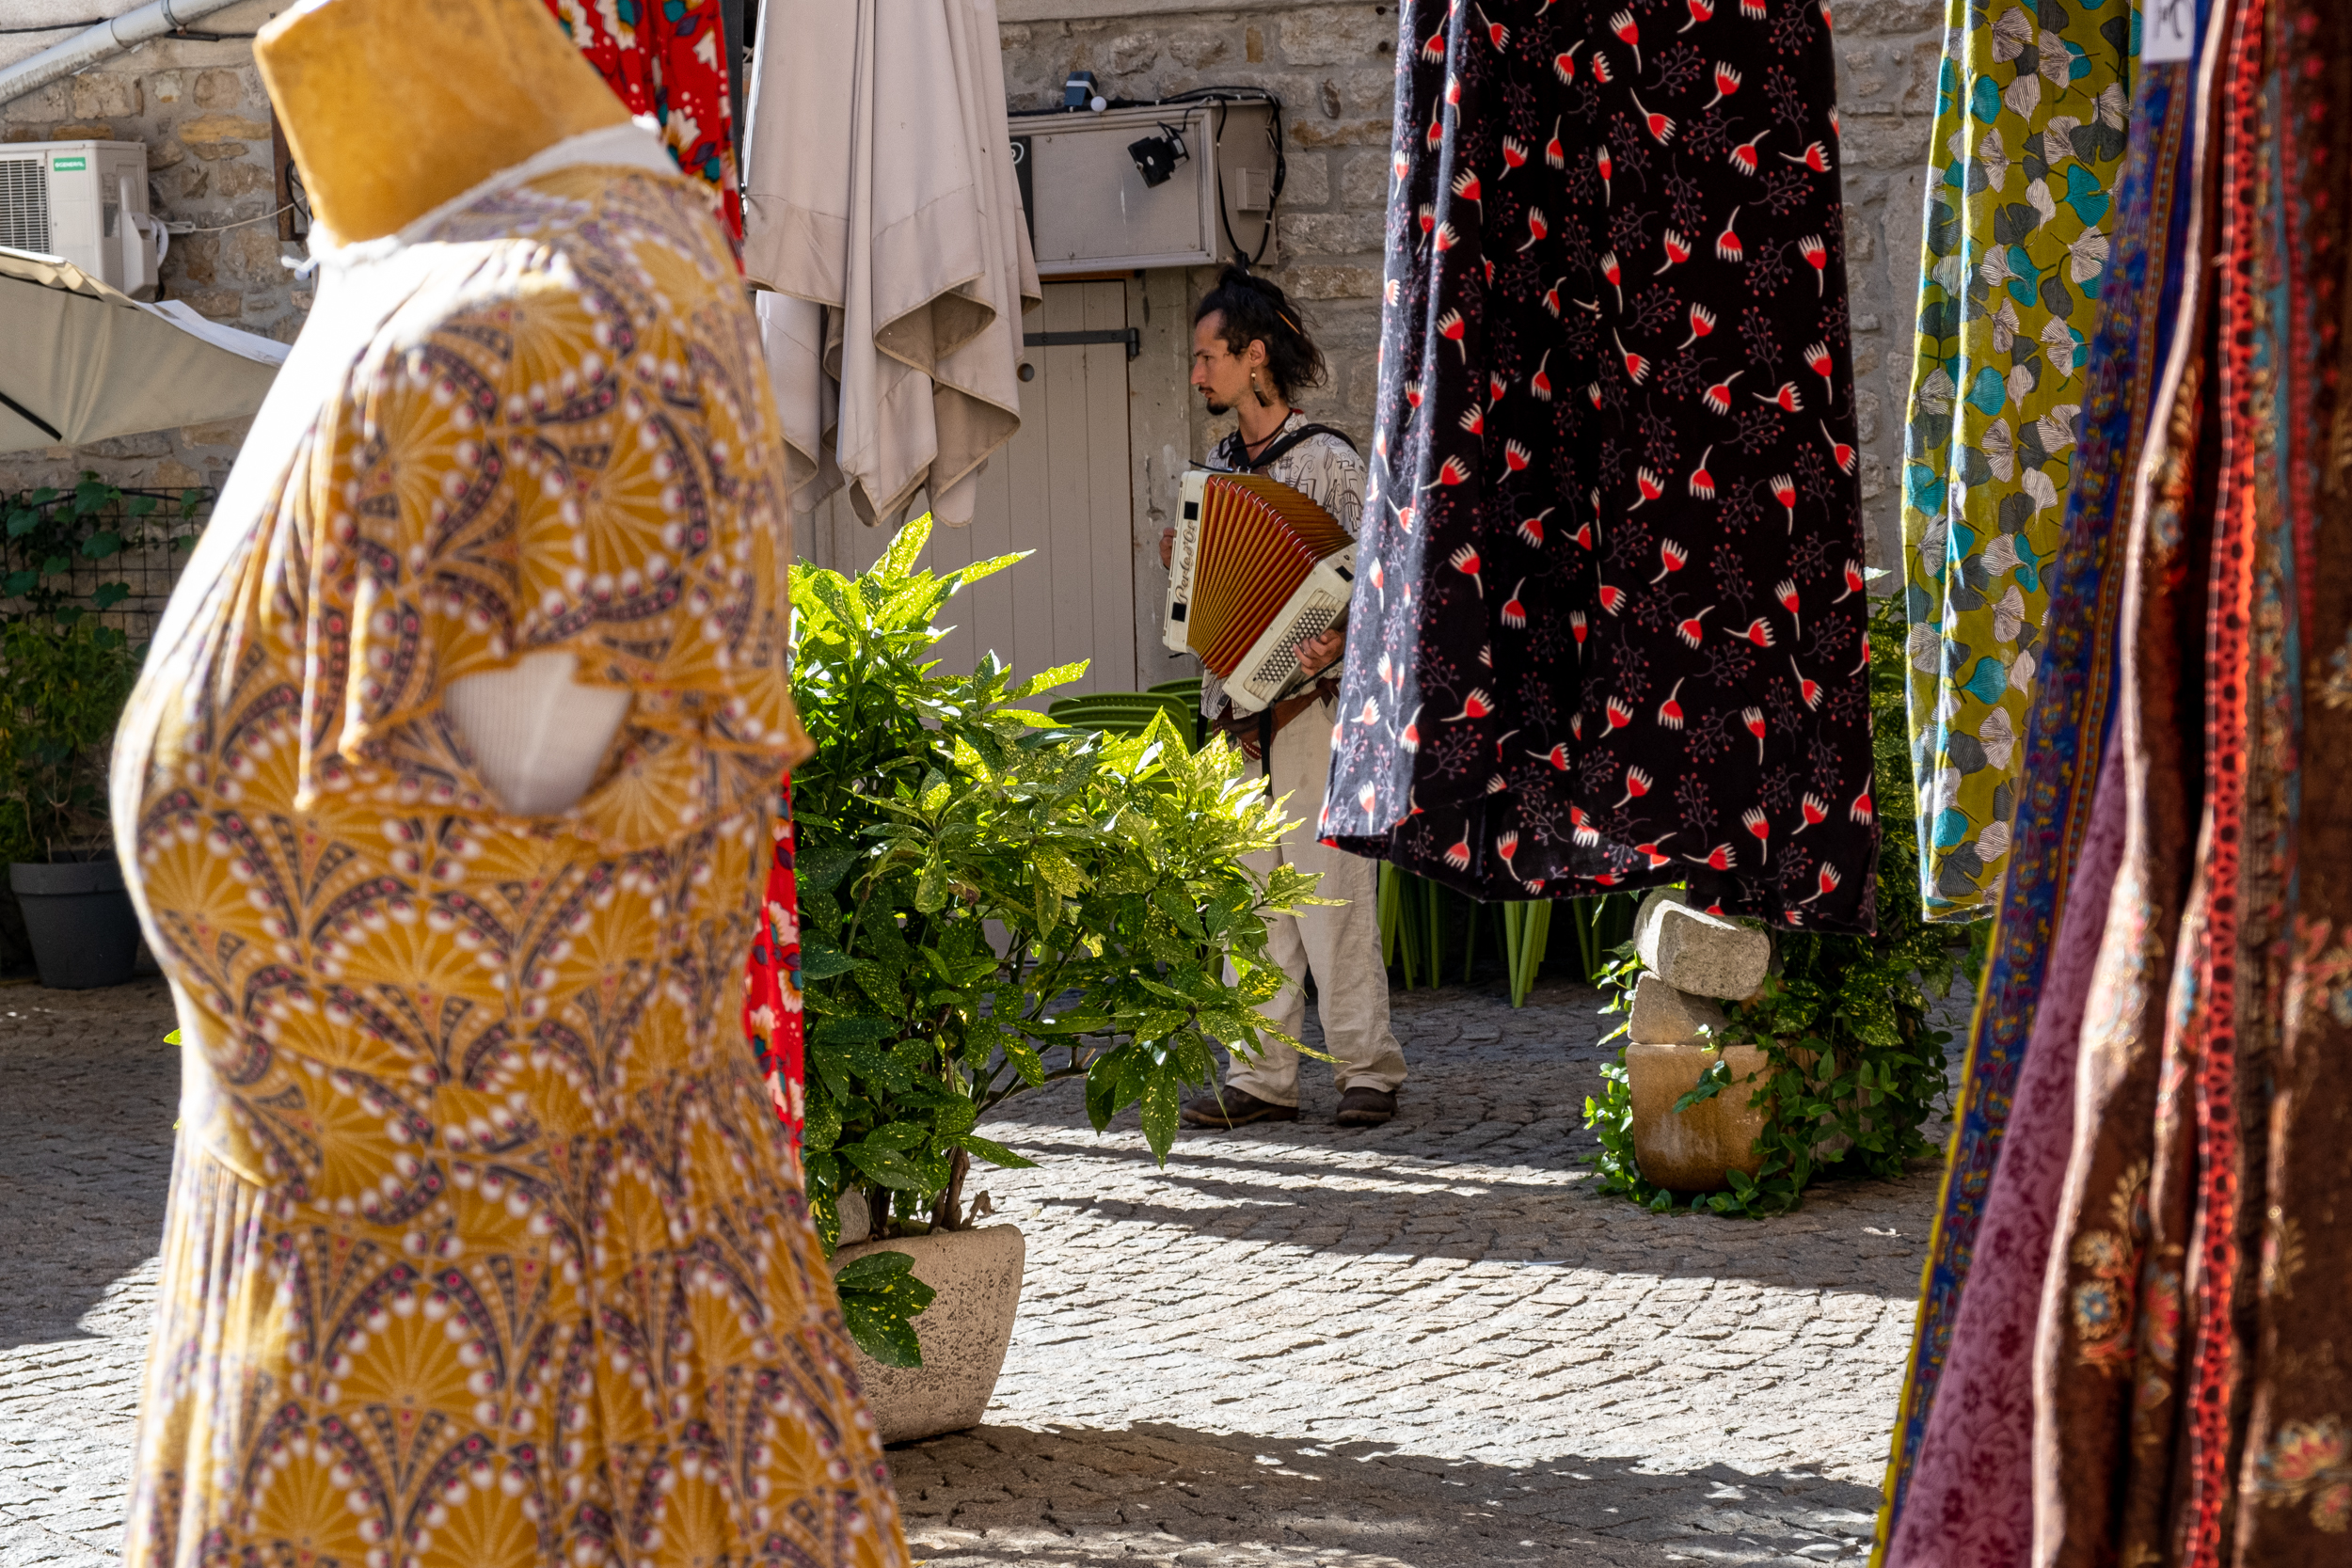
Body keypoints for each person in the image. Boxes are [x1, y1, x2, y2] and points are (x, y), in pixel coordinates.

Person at [1164, 265, 1407, 1130]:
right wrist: (1184, 572)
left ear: (1254, 357)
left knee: (1330, 898)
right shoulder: (1218, 470)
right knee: (1251, 905)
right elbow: (1207, 601)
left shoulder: (1329, 462)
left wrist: (1339, 639)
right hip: (1236, 716)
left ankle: (1366, 1069)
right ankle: (1261, 1077)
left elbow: (1377, 586)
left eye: (1209, 356)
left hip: (1315, 709)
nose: (1198, 373)